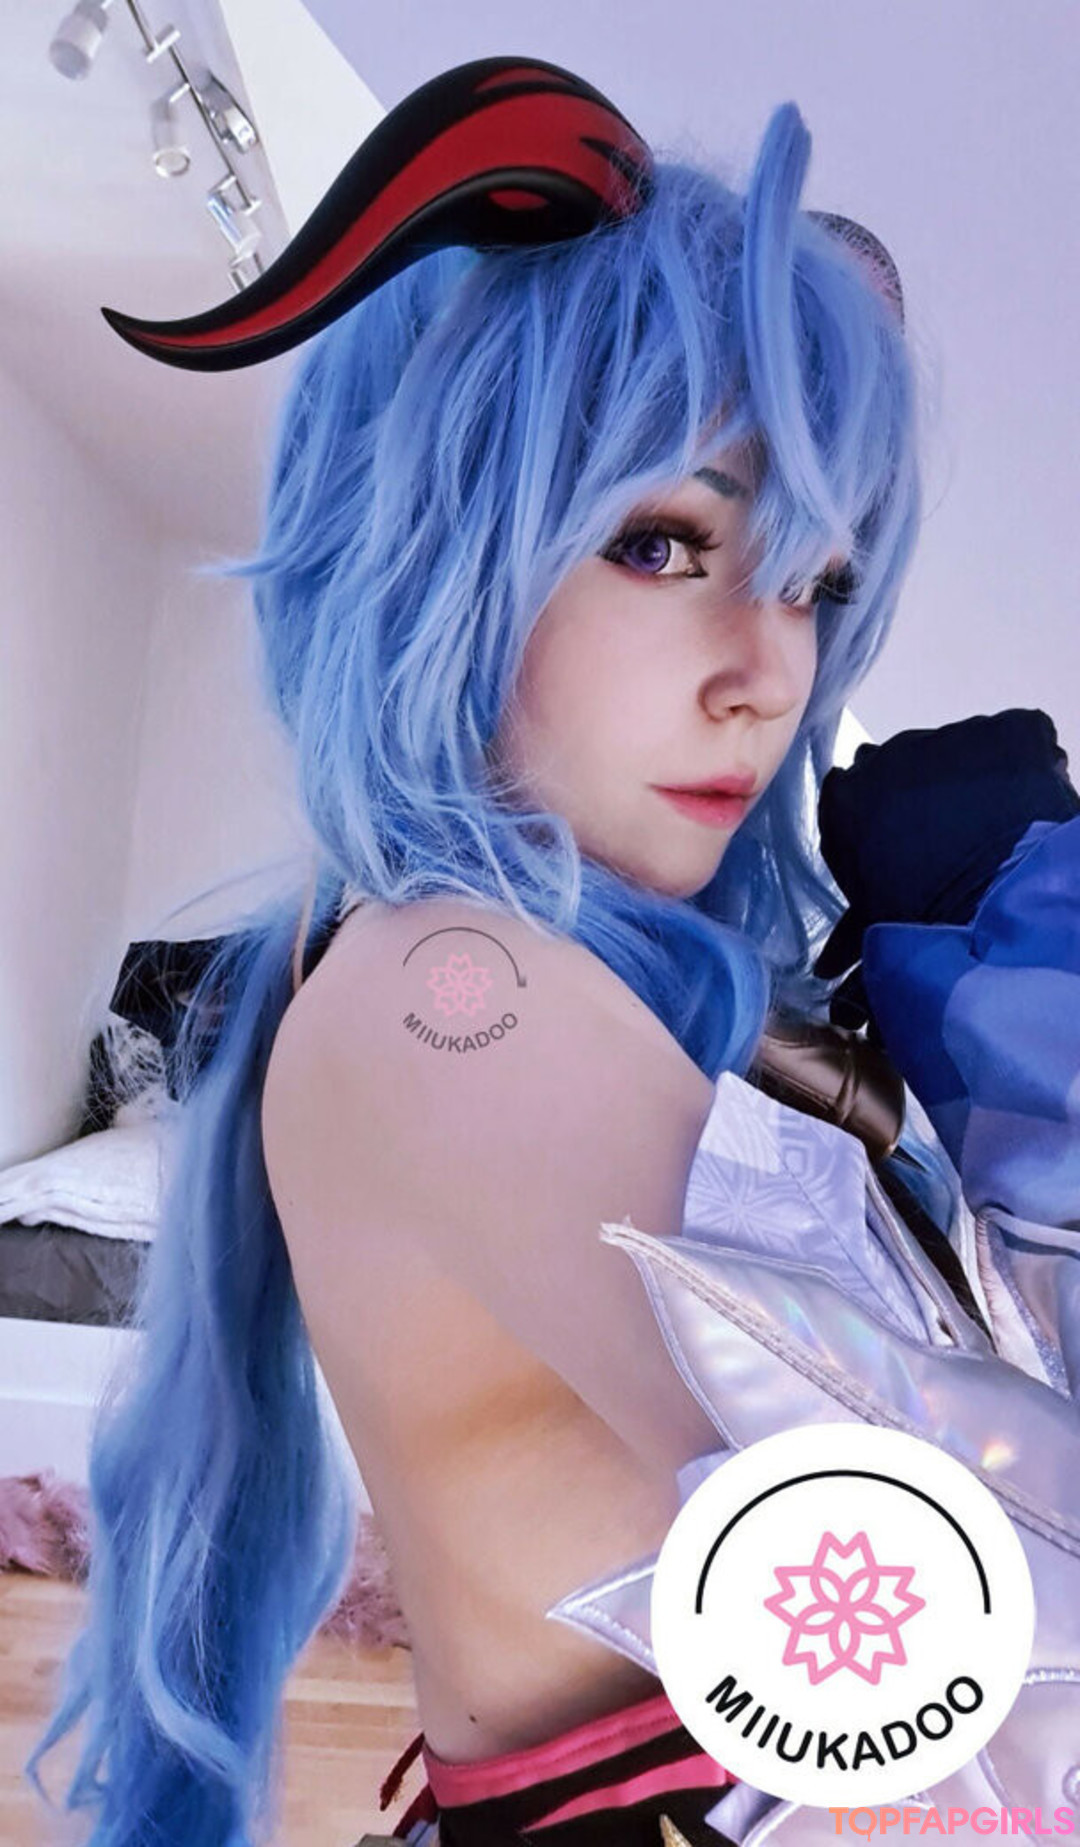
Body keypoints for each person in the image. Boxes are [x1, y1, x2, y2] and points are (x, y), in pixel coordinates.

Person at [26, 55, 1078, 1847]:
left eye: (815, 579)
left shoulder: (486, 976)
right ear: (440, 547)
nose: (771, 670)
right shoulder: (468, 992)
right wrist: (1039, 997)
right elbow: (1004, 1602)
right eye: (663, 542)